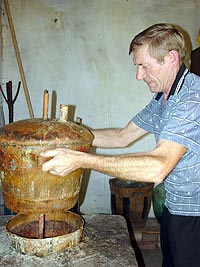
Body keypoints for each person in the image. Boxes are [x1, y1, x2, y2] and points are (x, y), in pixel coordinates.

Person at [41, 23, 200, 267]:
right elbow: (122, 136)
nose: (138, 75)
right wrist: (72, 135)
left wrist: (82, 161)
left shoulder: (191, 98)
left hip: (194, 213)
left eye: (143, 66)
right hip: (175, 205)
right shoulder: (163, 97)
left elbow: (158, 167)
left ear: (171, 58)